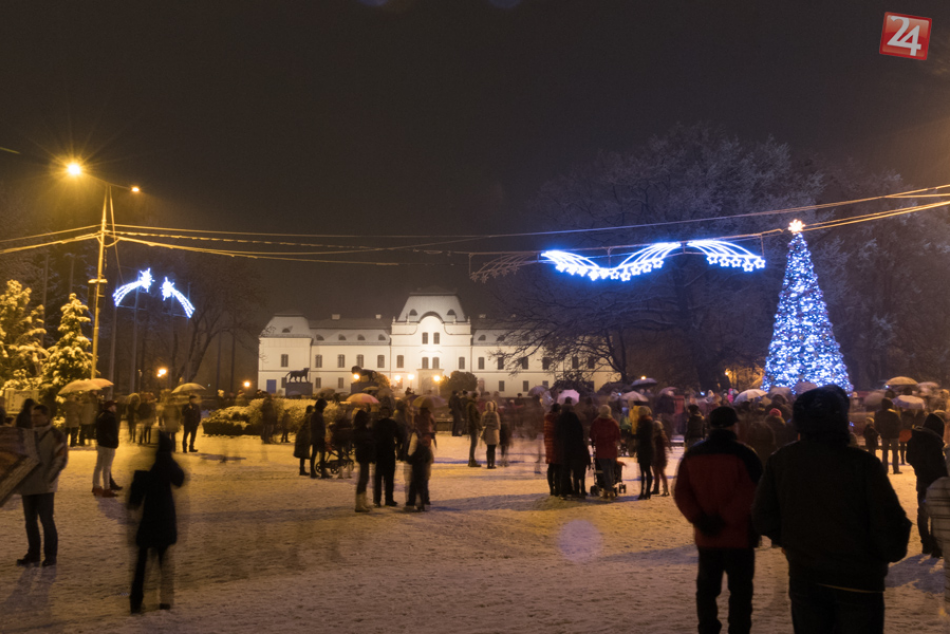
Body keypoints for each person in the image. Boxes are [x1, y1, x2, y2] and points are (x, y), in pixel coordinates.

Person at [753, 386, 911, 634]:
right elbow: (888, 521)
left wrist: (791, 542)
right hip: (858, 580)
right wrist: (884, 552)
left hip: (807, 575)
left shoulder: (782, 461)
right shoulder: (863, 464)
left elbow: (763, 515)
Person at [674, 406, 761, 634]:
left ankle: (708, 629)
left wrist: (700, 519)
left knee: (706, 591)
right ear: (734, 425)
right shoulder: (745, 454)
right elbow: (751, 491)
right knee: (741, 592)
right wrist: (726, 518)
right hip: (739, 536)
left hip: (706, 537)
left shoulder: (693, 454)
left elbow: (681, 491)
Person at [128, 432, 185, 614]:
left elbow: (135, 498)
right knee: (164, 562)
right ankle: (166, 599)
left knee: (142, 564)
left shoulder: (146, 464)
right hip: (164, 519)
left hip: (148, 519)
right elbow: (180, 479)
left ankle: (136, 602)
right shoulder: (166, 464)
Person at [16, 404, 68, 567]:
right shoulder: (28, 435)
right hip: (28, 485)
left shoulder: (56, 435)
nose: (34, 418)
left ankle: (50, 555)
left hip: (45, 486)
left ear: (47, 417)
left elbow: (61, 459)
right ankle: (33, 554)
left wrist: (49, 478)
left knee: (46, 520)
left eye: (38, 415)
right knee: (30, 521)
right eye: (33, 415)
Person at [907, 413, 948, 557]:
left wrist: (920, 468)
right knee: (936, 516)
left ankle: (926, 544)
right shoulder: (934, 442)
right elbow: (938, 465)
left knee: (923, 513)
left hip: (921, 480)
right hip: (935, 483)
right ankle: (936, 548)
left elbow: (909, 458)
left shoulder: (915, 438)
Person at [557, 398, 589, 498]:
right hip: (575, 447)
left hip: (564, 447)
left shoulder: (560, 418)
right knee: (576, 469)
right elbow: (580, 432)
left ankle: (564, 491)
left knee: (565, 469)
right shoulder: (574, 417)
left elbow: (557, 434)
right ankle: (578, 489)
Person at [589, 405, 621, 500]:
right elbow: (618, 435)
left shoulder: (596, 422)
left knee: (606, 469)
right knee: (610, 469)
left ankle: (608, 490)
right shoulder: (613, 422)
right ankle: (608, 490)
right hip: (611, 449)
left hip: (601, 449)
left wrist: (595, 440)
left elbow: (592, 434)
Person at [405, 410, 435, 512]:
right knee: (422, 486)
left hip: (416, 472)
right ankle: (423, 502)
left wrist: (406, 455)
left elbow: (410, 460)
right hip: (423, 471)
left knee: (413, 487)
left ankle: (411, 503)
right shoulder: (426, 450)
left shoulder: (418, 450)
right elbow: (429, 459)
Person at [372, 406, 400, 507]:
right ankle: (386, 499)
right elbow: (398, 436)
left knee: (383, 478)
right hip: (385, 452)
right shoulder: (390, 424)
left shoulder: (378, 424)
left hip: (383, 453)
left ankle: (380, 499)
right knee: (386, 478)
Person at [94, 400, 120, 498]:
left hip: (101, 444)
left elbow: (98, 430)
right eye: (114, 406)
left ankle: (96, 486)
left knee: (98, 467)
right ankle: (107, 489)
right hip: (108, 445)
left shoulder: (100, 416)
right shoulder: (111, 417)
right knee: (107, 468)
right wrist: (114, 442)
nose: (115, 408)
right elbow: (112, 432)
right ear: (110, 407)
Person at [353, 409, 374, 513]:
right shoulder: (360, 430)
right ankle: (359, 503)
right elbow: (364, 442)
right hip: (363, 455)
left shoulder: (365, 429)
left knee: (365, 478)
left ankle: (363, 501)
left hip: (365, 455)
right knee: (363, 479)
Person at [876, 398, 901, 474]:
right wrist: (896, 432)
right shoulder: (893, 413)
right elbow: (898, 424)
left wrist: (880, 432)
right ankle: (895, 469)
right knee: (895, 453)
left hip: (884, 435)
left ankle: (885, 469)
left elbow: (876, 425)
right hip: (894, 435)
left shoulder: (878, 413)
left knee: (885, 453)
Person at [635, 406, 655, 500]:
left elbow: (643, 436)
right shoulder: (643, 422)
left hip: (645, 449)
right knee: (644, 471)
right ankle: (645, 491)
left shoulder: (646, 422)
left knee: (646, 470)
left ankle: (646, 491)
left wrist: (634, 436)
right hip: (645, 448)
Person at [543, 403, 562, 496]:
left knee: (551, 466)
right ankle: (558, 488)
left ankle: (551, 488)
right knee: (558, 466)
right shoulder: (557, 418)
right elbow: (558, 432)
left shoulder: (547, 418)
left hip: (548, 443)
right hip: (556, 444)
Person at [310, 399, 329, 479]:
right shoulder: (317, 415)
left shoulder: (316, 414)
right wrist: (322, 435)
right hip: (318, 437)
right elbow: (318, 427)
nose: (324, 408)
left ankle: (313, 471)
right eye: (324, 406)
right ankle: (322, 472)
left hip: (315, 437)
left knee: (315, 454)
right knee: (321, 454)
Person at [652, 420, 671, 496]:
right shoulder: (657, 435)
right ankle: (656, 488)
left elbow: (660, 448)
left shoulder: (659, 436)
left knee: (661, 472)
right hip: (657, 456)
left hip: (660, 457)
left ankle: (665, 489)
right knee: (656, 472)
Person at [481, 401, 501, 469]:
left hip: (487, 432)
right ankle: (492, 464)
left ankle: (488, 464)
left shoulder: (484, 414)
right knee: (493, 449)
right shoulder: (495, 414)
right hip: (494, 433)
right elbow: (498, 424)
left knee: (488, 449)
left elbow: (482, 423)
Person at [294, 405, 312, 476]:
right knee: (304, 454)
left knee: (302, 455)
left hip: (301, 436)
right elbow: (310, 426)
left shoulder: (304, 416)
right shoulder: (309, 417)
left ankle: (302, 469)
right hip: (305, 437)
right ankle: (302, 470)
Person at [466, 393, 482, 468]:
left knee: (474, 444)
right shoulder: (472, 405)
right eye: (478, 397)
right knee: (473, 444)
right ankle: (471, 460)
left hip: (473, 426)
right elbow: (472, 417)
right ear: (475, 397)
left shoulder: (472, 404)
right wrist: (476, 426)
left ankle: (471, 460)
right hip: (473, 427)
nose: (479, 398)